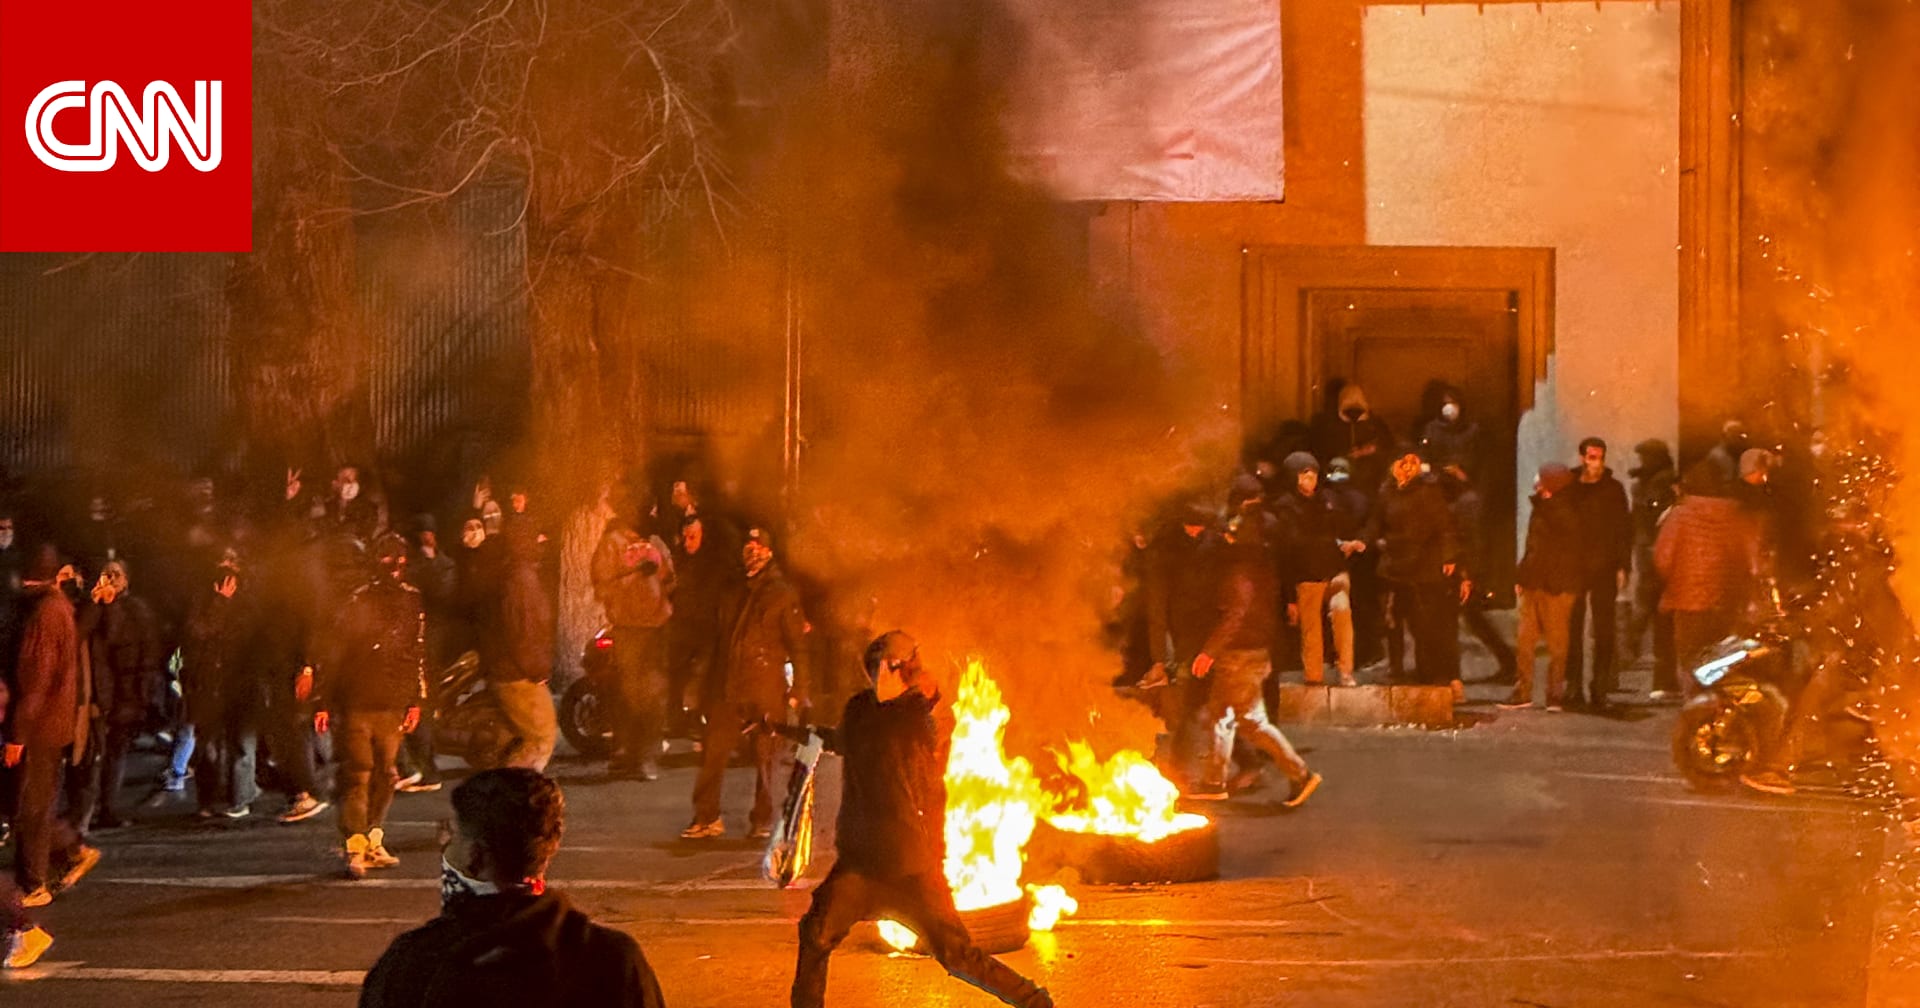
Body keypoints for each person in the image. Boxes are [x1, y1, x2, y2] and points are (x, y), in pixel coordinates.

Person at [785, 632, 1053, 1008]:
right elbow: (841, 742)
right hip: (859, 865)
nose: (880, 671)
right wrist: (780, 728)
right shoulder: (859, 708)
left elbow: (933, 794)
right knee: (815, 934)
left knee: (958, 955)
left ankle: (1035, 1001)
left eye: (893, 663)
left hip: (909, 866)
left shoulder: (915, 721)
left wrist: (937, 854)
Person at [359, 768, 666, 1008]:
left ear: (474, 854)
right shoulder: (613, 959)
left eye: (453, 835)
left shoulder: (415, 962)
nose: (447, 845)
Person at [684, 528, 810, 840]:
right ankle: (706, 817)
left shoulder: (782, 593)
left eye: (758, 546)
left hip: (765, 687)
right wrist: (699, 685)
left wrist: (800, 690)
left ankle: (763, 820)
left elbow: (798, 645)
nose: (752, 551)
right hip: (729, 685)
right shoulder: (732, 590)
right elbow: (717, 642)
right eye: (748, 545)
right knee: (714, 752)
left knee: (767, 759)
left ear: (769, 552)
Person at [313, 532, 426, 879]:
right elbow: (335, 653)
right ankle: (355, 846)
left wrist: (416, 700)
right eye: (387, 560)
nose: (395, 568)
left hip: (391, 703)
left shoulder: (412, 601)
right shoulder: (357, 601)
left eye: (400, 561)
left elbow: (418, 651)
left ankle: (372, 838)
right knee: (357, 775)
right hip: (358, 702)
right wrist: (325, 700)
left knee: (385, 775)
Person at [1188, 516, 1323, 805]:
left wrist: (1209, 651)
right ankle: (1214, 782)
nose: (1226, 539)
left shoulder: (1241, 572)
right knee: (1220, 715)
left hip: (1241, 654)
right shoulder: (1262, 566)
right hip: (1252, 651)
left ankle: (1300, 774)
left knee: (1251, 722)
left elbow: (1236, 614)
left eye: (1231, 535)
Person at [3, 549, 101, 907]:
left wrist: (18, 735)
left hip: (38, 726)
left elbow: (36, 679)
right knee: (32, 803)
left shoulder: (41, 613)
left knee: (30, 806)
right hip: (49, 724)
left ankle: (33, 884)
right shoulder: (55, 607)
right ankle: (69, 851)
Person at [1654, 463, 1765, 692]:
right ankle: (1718, 701)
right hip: (1727, 599)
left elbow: (1663, 557)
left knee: (1689, 655)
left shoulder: (1680, 514)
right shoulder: (1737, 513)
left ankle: (1695, 703)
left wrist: (1672, 582)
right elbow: (1753, 557)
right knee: (1723, 655)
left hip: (1687, 600)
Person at [75, 558, 163, 829]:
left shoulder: (136, 610)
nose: (111, 579)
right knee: (95, 755)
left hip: (125, 692)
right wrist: (97, 604)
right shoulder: (92, 607)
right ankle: (89, 812)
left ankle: (108, 807)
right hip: (100, 694)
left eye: (117, 574)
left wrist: (142, 693)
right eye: (106, 574)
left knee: (115, 753)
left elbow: (121, 640)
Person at [590, 503, 675, 780]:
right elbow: (603, 587)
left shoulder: (656, 544)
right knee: (627, 694)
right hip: (627, 630)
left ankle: (646, 757)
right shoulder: (612, 544)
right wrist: (636, 573)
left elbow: (671, 579)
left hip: (657, 629)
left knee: (654, 695)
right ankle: (624, 753)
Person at [1136, 503, 1219, 785]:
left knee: (1213, 704)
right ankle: (1181, 768)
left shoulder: (1213, 542)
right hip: (1186, 637)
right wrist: (1159, 657)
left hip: (1213, 634)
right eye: (1191, 526)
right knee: (1189, 703)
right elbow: (1157, 609)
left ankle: (1239, 762)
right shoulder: (1165, 552)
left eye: (1201, 526)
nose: (1197, 531)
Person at [1365, 452, 1462, 693]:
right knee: (1393, 620)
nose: (1407, 469)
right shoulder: (1386, 492)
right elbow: (1375, 523)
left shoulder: (1429, 491)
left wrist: (1449, 557)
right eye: (1402, 463)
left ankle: (1427, 671)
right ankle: (1396, 668)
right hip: (1394, 566)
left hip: (1422, 567)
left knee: (1423, 621)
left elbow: (1444, 527)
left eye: (1412, 464)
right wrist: (1365, 541)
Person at [183, 548, 263, 818]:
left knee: (242, 743)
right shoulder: (201, 599)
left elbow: (250, 637)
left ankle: (241, 797)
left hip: (240, 681)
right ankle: (209, 800)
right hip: (209, 682)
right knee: (209, 746)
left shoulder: (249, 601)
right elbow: (198, 632)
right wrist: (220, 603)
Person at [1272, 453, 1361, 687]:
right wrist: (1290, 597)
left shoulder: (1327, 500)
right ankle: (1313, 676)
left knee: (1342, 617)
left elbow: (1339, 527)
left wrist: (1345, 544)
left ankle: (1346, 671)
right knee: (1311, 630)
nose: (1310, 478)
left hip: (1334, 570)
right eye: (1304, 473)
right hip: (1307, 575)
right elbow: (1288, 549)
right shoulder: (1286, 507)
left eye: (1313, 473)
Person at [1501, 465, 1583, 710]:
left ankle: (1554, 694)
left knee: (1557, 643)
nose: (1536, 483)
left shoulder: (1566, 511)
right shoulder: (1541, 508)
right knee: (1525, 640)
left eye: (1541, 480)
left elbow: (1566, 548)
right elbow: (1533, 548)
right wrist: (1522, 576)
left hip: (1557, 587)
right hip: (1534, 583)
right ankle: (1522, 690)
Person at [1564, 438, 1631, 712]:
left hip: (1603, 566)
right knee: (1572, 629)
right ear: (1582, 458)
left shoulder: (1613, 489)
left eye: (1599, 457)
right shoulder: (1570, 487)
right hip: (1574, 565)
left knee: (1604, 630)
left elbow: (1623, 529)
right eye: (1591, 457)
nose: (1596, 462)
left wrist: (1623, 565)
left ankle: (1600, 687)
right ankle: (1573, 685)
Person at [1439, 461, 1518, 684]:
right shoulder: (1470, 500)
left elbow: (1469, 539)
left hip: (1469, 568)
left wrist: (1467, 574)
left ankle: (1507, 663)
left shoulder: (1465, 504)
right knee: (1475, 619)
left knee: (1469, 618)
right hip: (1473, 566)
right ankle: (1508, 662)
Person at [493, 506, 558, 772]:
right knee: (542, 736)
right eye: (536, 536)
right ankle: (514, 796)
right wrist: (538, 670)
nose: (542, 541)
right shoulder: (522, 580)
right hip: (518, 673)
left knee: (522, 737)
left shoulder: (515, 574)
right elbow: (524, 632)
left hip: (511, 668)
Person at [667, 515, 734, 738]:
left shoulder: (716, 565)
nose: (688, 543)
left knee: (702, 676)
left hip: (708, 631)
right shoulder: (678, 560)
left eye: (693, 537)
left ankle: (699, 719)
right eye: (684, 537)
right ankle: (679, 720)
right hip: (680, 630)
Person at [1624, 439, 1679, 700]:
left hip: (1656, 556)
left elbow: (1651, 512)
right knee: (1656, 618)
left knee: (1655, 616)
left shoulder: (1661, 482)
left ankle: (1631, 652)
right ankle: (1659, 675)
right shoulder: (1655, 481)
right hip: (1650, 555)